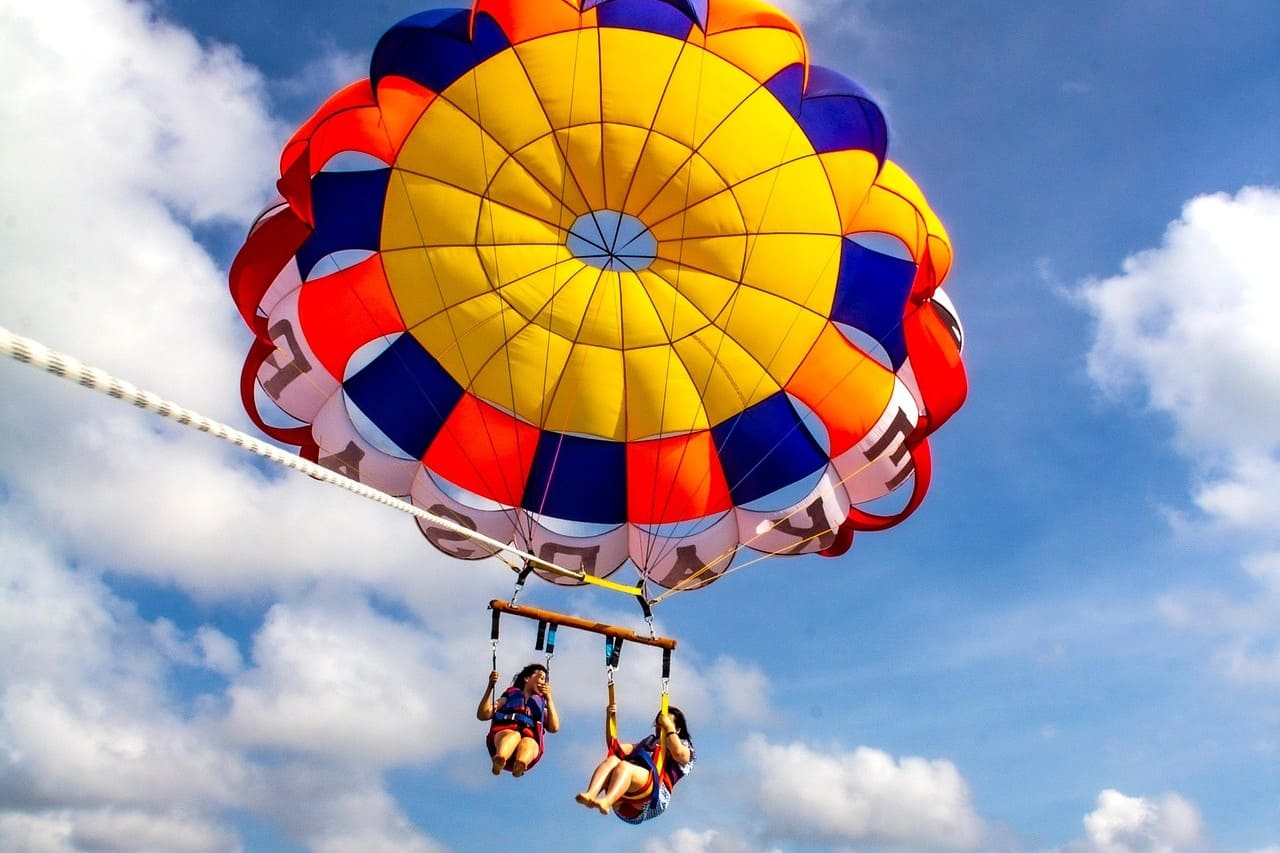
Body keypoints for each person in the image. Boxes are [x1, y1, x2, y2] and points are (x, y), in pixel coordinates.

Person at [574, 700, 694, 823]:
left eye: (665, 724)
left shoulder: (685, 747)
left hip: (653, 798)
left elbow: (679, 754)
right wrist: (609, 718)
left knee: (624, 766)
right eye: (659, 724)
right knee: (613, 760)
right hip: (625, 798)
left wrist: (669, 728)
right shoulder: (649, 742)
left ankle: (607, 801)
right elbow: (615, 748)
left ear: (678, 730)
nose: (660, 728)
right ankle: (591, 794)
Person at [476, 663, 559, 777]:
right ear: (527, 678)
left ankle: (521, 763)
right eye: (541, 677)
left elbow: (554, 728)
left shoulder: (540, 705)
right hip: (503, 734)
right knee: (514, 736)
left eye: (545, 680)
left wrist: (549, 698)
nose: (543, 683)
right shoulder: (510, 696)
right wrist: (491, 685)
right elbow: (483, 714)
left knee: (528, 742)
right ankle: (500, 758)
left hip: (530, 740)